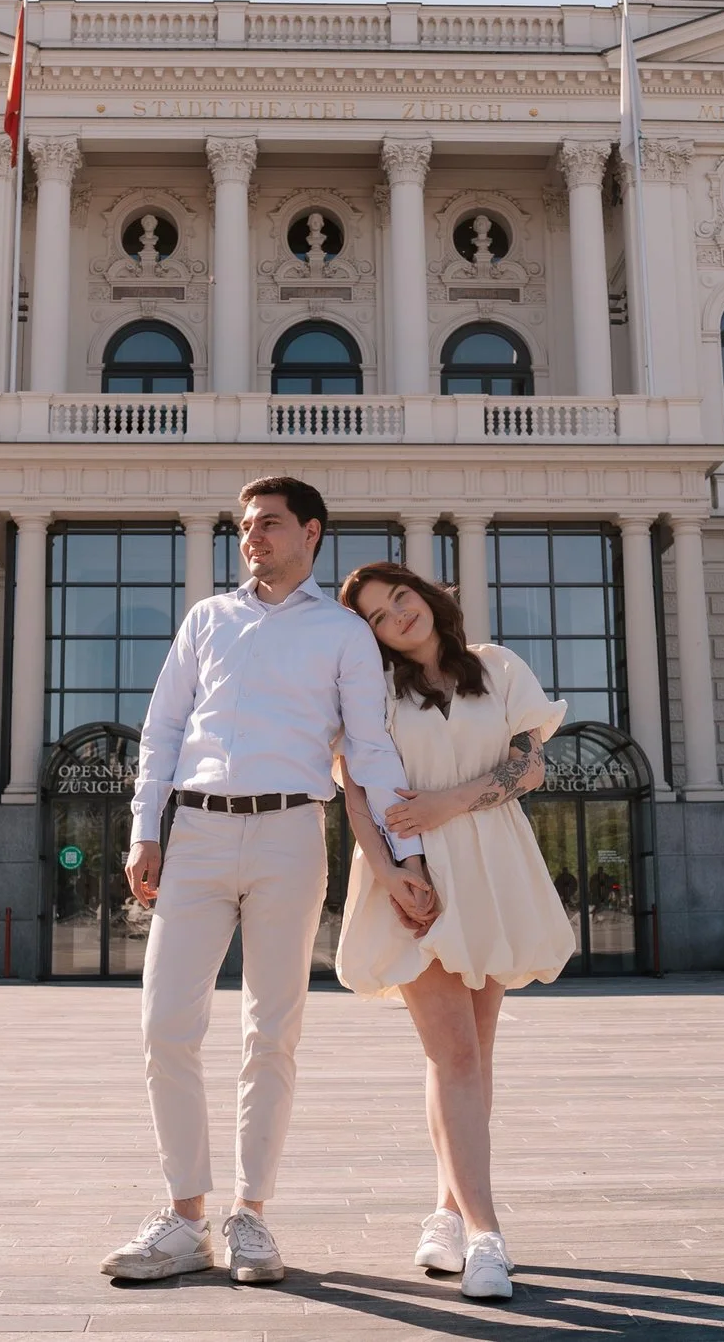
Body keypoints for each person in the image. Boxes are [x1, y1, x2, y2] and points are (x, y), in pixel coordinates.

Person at [99, 478, 438, 1287]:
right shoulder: (206, 619)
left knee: (271, 1030)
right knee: (164, 1024)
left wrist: (404, 856)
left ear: (311, 532)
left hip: (291, 830)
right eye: (246, 525)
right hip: (200, 833)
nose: (252, 536)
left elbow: (371, 749)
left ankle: (250, 1215)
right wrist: (146, 828)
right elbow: (164, 727)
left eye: (270, 524)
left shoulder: (343, 633)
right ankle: (185, 1219)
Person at [332, 560, 578, 1302]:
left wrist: (451, 802)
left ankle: (444, 1209)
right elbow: (356, 797)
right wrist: (388, 874)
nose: (395, 615)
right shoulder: (371, 690)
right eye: (377, 614)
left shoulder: (498, 668)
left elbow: (528, 766)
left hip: (492, 863)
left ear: (426, 595)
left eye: (398, 596)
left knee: (474, 1051)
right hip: (416, 874)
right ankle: (485, 1233)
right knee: (454, 1052)